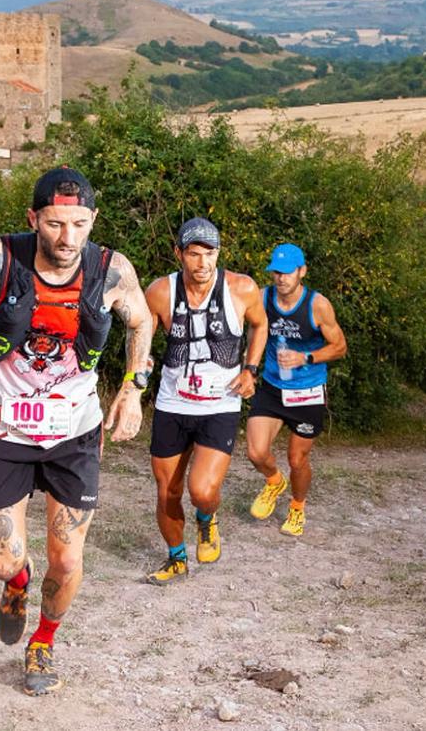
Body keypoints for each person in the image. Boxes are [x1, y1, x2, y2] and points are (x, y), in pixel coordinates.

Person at [0, 166, 152, 696]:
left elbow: (141, 321)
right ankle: (18, 587)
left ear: (92, 220)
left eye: (78, 224)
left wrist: (134, 387)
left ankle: (43, 642)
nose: (66, 238)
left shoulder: (112, 271)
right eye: (53, 223)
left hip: (74, 431)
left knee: (68, 557)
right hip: (2, 427)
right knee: (6, 561)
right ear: (33, 218)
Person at [143, 217, 268, 585]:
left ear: (218, 253)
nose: (203, 264)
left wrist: (251, 369)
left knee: (202, 491)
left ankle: (207, 517)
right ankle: (176, 557)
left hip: (219, 404)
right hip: (172, 403)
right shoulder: (160, 293)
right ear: (178, 253)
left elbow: (260, 325)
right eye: (194, 254)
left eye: (210, 254)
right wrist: (138, 373)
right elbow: (142, 339)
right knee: (168, 491)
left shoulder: (241, 289)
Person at [246, 243, 347, 536]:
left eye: (288, 272)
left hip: (307, 390)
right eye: (276, 272)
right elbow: (255, 331)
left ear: (302, 271)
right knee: (255, 451)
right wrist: (249, 369)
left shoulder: (318, 305)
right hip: (273, 386)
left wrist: (306, 357)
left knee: (297, 459)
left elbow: (340, 347)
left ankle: (297, 507)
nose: (281, 278)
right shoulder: (264, 298)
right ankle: (274, 481)